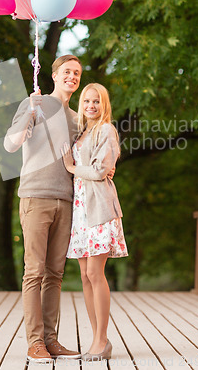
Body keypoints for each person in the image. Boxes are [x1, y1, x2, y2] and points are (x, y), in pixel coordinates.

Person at [4, 55, 83, 363]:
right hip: (36, 198)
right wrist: (29, 112)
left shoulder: (77, 117)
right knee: (34, 272)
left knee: (55, 274)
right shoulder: (34, 103)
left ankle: (51, 340)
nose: (72, 77)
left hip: (66, 200)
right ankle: (34, 342)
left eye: (76, 73)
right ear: (53, 75)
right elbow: (11, 144)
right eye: (67, 71)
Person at [61, 83, 128, 362]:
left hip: (98, 207)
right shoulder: (82, 131)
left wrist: (72, 167)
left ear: (104, 104)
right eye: (86, 101)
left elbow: (101, 171)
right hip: (80, 209)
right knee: (85, 276)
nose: (90, 105)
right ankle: (96, 337)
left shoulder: (106, 130)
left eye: (96, 101)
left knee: (95, 273)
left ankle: (102, 340)